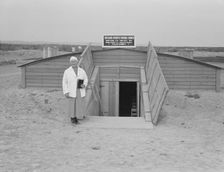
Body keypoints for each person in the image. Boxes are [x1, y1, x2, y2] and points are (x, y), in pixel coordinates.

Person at [62, 56, 88, 124]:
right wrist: (66, 91)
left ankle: (78, 116)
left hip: (79, 90)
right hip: (71, 90)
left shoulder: (82, 70)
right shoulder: (67, 71)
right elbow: (64, 82)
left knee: (79, 104)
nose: (73, 62)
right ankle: (73, 118)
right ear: (70, 63)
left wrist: (84, 85)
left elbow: (86, 79)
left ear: (77, 62)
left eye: (74, 61)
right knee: (72, 105)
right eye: (72, 61)